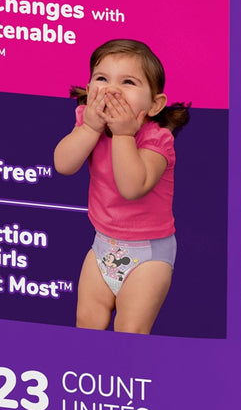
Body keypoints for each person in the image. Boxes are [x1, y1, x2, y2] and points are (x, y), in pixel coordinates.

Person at [54, 39, 189, 333]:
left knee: (130, 329)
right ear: (89, 90)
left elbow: (132, 187)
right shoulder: (89, 124)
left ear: (154, 104)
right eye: (102, 79)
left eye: (128, 82)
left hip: (148, 255)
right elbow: (63, 165)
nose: (112, 90)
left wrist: (124, 135)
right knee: (87, 322)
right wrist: (89, 128)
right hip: (102, 245)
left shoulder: (157, 140)